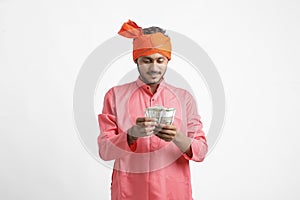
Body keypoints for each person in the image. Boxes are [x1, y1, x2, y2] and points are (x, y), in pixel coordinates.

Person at [97, 19, 208, 200]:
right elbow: (104, 151)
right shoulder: (115, 96)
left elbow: (201, 151)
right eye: (147, 60)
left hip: (172, 192)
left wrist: (177, 137)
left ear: (167, 61)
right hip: (130, 192)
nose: (154, 67)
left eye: (160, 60)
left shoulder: (184, 98)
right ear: (137, 61)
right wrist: (131, 135)